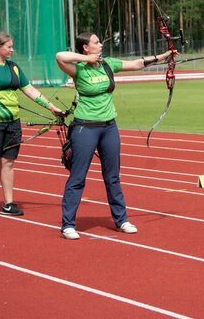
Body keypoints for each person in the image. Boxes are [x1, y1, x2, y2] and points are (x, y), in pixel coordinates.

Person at [55, 32, 173, 239]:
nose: (100, 44)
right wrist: (87, 59)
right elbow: (59, 56)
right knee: (78, 177)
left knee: (113, 177)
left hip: (109, 127)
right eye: (96, 42)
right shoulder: (78, 69)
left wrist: (164, 56)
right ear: (85, 47)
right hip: (85, 128)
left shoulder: (108, 64)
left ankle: (121, 220)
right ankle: (68, 224)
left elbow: (136, 64)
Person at [0, 31, 63, 219]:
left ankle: (8, 203)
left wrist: (51, 107)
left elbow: (29, 89)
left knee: (9, 162)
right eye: (9, 46)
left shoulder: (13, 67)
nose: (12, 50)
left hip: (13, 122)